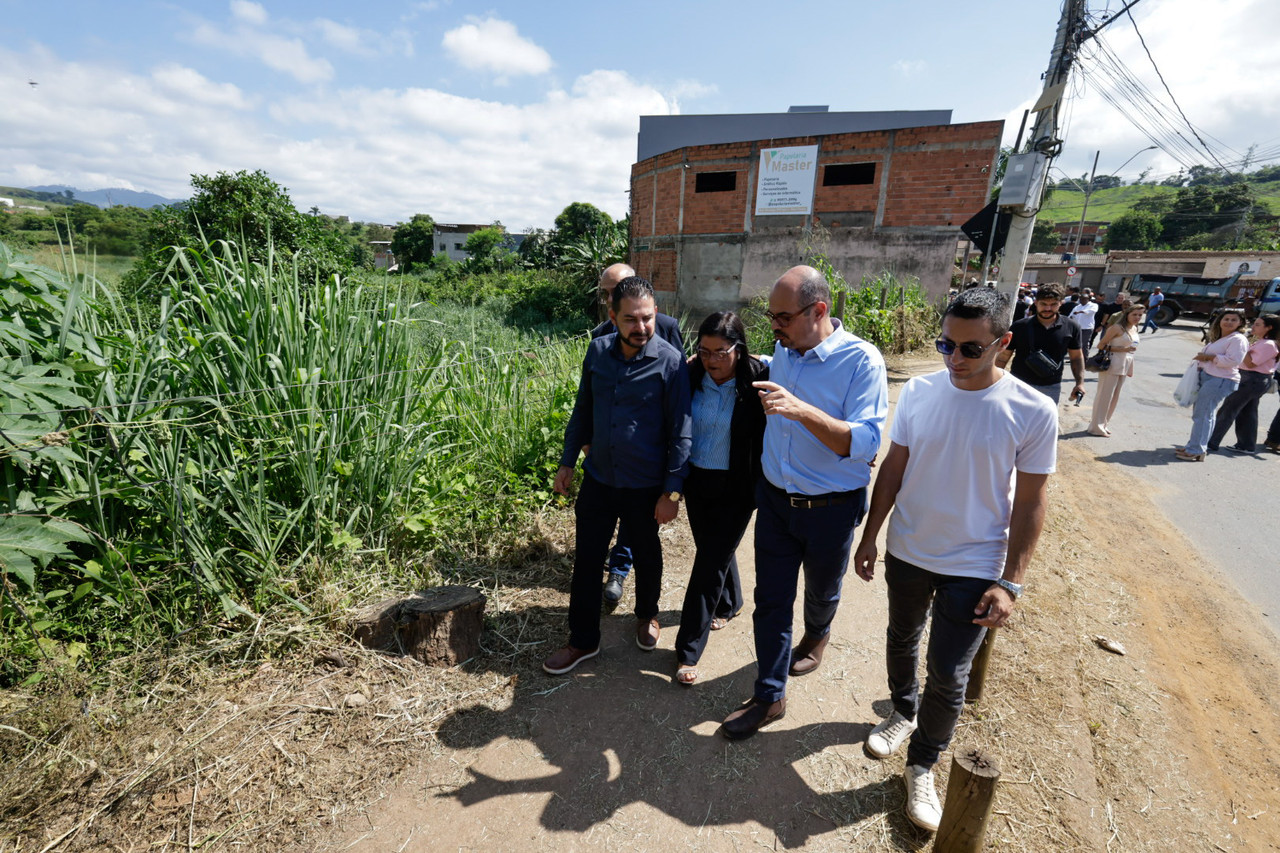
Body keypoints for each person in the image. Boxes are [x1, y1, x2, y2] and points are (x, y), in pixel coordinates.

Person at [852, 287, 1057, 832]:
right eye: (945, 344)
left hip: (976, 561)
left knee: (949, 672)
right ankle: (903, 710)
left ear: (1003, 343)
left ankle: (922, 763)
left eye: (970, 348)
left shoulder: (1033, 410)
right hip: (910, 549)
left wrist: (1011, 583)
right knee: (901, 638)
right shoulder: (919, 392)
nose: (953, 358)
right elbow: (894, 469)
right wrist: (870, 536)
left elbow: (1032, 502)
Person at [720, 265, 888, 740]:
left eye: (783, 318)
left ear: (819, 311)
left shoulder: (861, 361)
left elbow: (865, 441)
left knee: (822, 590)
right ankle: (769, 695)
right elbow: (765, 366)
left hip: (831, 509)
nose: (775, 327)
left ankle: (817, 633)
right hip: (776, 501)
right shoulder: (784, 348)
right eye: (771, 317)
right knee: (771, 601)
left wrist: (801, 410)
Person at [544, 276, 692, 674]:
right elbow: (583, 409)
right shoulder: (598, 352)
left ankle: (647, 615)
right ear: (613, 317)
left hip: (645, 485)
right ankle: (582, 641)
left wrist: (672, 492)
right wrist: (567, 461)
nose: (640, 327)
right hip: (600, 478)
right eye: (630, 319)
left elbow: (682, 431)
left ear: (655, 313)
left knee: (647, 554)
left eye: (647, 318)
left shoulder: (670, 362)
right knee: (587, 560)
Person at [673, 312, 768, 686]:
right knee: (713, 550)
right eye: (704, 351)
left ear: (739, 350)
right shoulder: (691, 376)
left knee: (709, 563)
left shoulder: (758, 379)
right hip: (698, 481)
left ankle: (688, 649)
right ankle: (730, 602)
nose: (711, 360)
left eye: (720, 352)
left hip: (738, 487)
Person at [590, 263, 684, 604]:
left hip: (647, 469)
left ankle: (626, 581)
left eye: (616, 289)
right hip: (606, 469)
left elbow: (679, 414)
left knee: (643, 541)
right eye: (607, 293)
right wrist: (585, 446)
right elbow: (589, 401)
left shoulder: (667, 336)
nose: (610, 296)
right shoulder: (599, 342)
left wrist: (672, 489)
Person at [996, 282, 1085, 406]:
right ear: (1036, 302)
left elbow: (1076, 358)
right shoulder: (1019, 326)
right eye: (1043, 304)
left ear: (1060, 303)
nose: (1048, 309)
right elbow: (1003, 356)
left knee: (1045, 419)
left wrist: (1080, 383)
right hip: (1018, 384)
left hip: (1051, 387)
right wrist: (995, 382)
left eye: (1053, 304)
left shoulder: (1071, 327)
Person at [1175, 308, 1248, 461]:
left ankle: (1196, 450)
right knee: (1205, 414)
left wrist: (1208, 357)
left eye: (1233, 320)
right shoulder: (1222, 337)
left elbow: (1233, 361)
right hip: (1211, 378)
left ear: (1240, 323)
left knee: (1202, 415)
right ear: (1220, 321)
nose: (1229, 322)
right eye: (1226, 319)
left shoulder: (1238, 339)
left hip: (1220, 380)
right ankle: (1195, 446)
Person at [1207, 314, 1280, 454]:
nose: (1253, 327)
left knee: (1228, 410)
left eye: (1258, 325)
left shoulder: (1269, 344)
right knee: (1247, 412)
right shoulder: (1258, 340)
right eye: (1254, 323)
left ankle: (1210, 442)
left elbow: (1251, 363)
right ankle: (1246, 445)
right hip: (1251, 379)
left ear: (1269, 328)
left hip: (1252, 379)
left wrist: (1243, 346)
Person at [1087, 304, 1144, 437]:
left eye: (1140, 315)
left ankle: (1104, 424)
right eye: (1134, 314)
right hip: (1112, 363)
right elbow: (1101, 345)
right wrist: (1122, 349)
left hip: (1125, 364)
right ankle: (1096, 427)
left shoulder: (1134, 328)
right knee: (1104, 395)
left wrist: (1129, 364)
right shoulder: (1117, 327)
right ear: (1127, 314)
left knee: (1115, 396)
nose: (1137, 317)